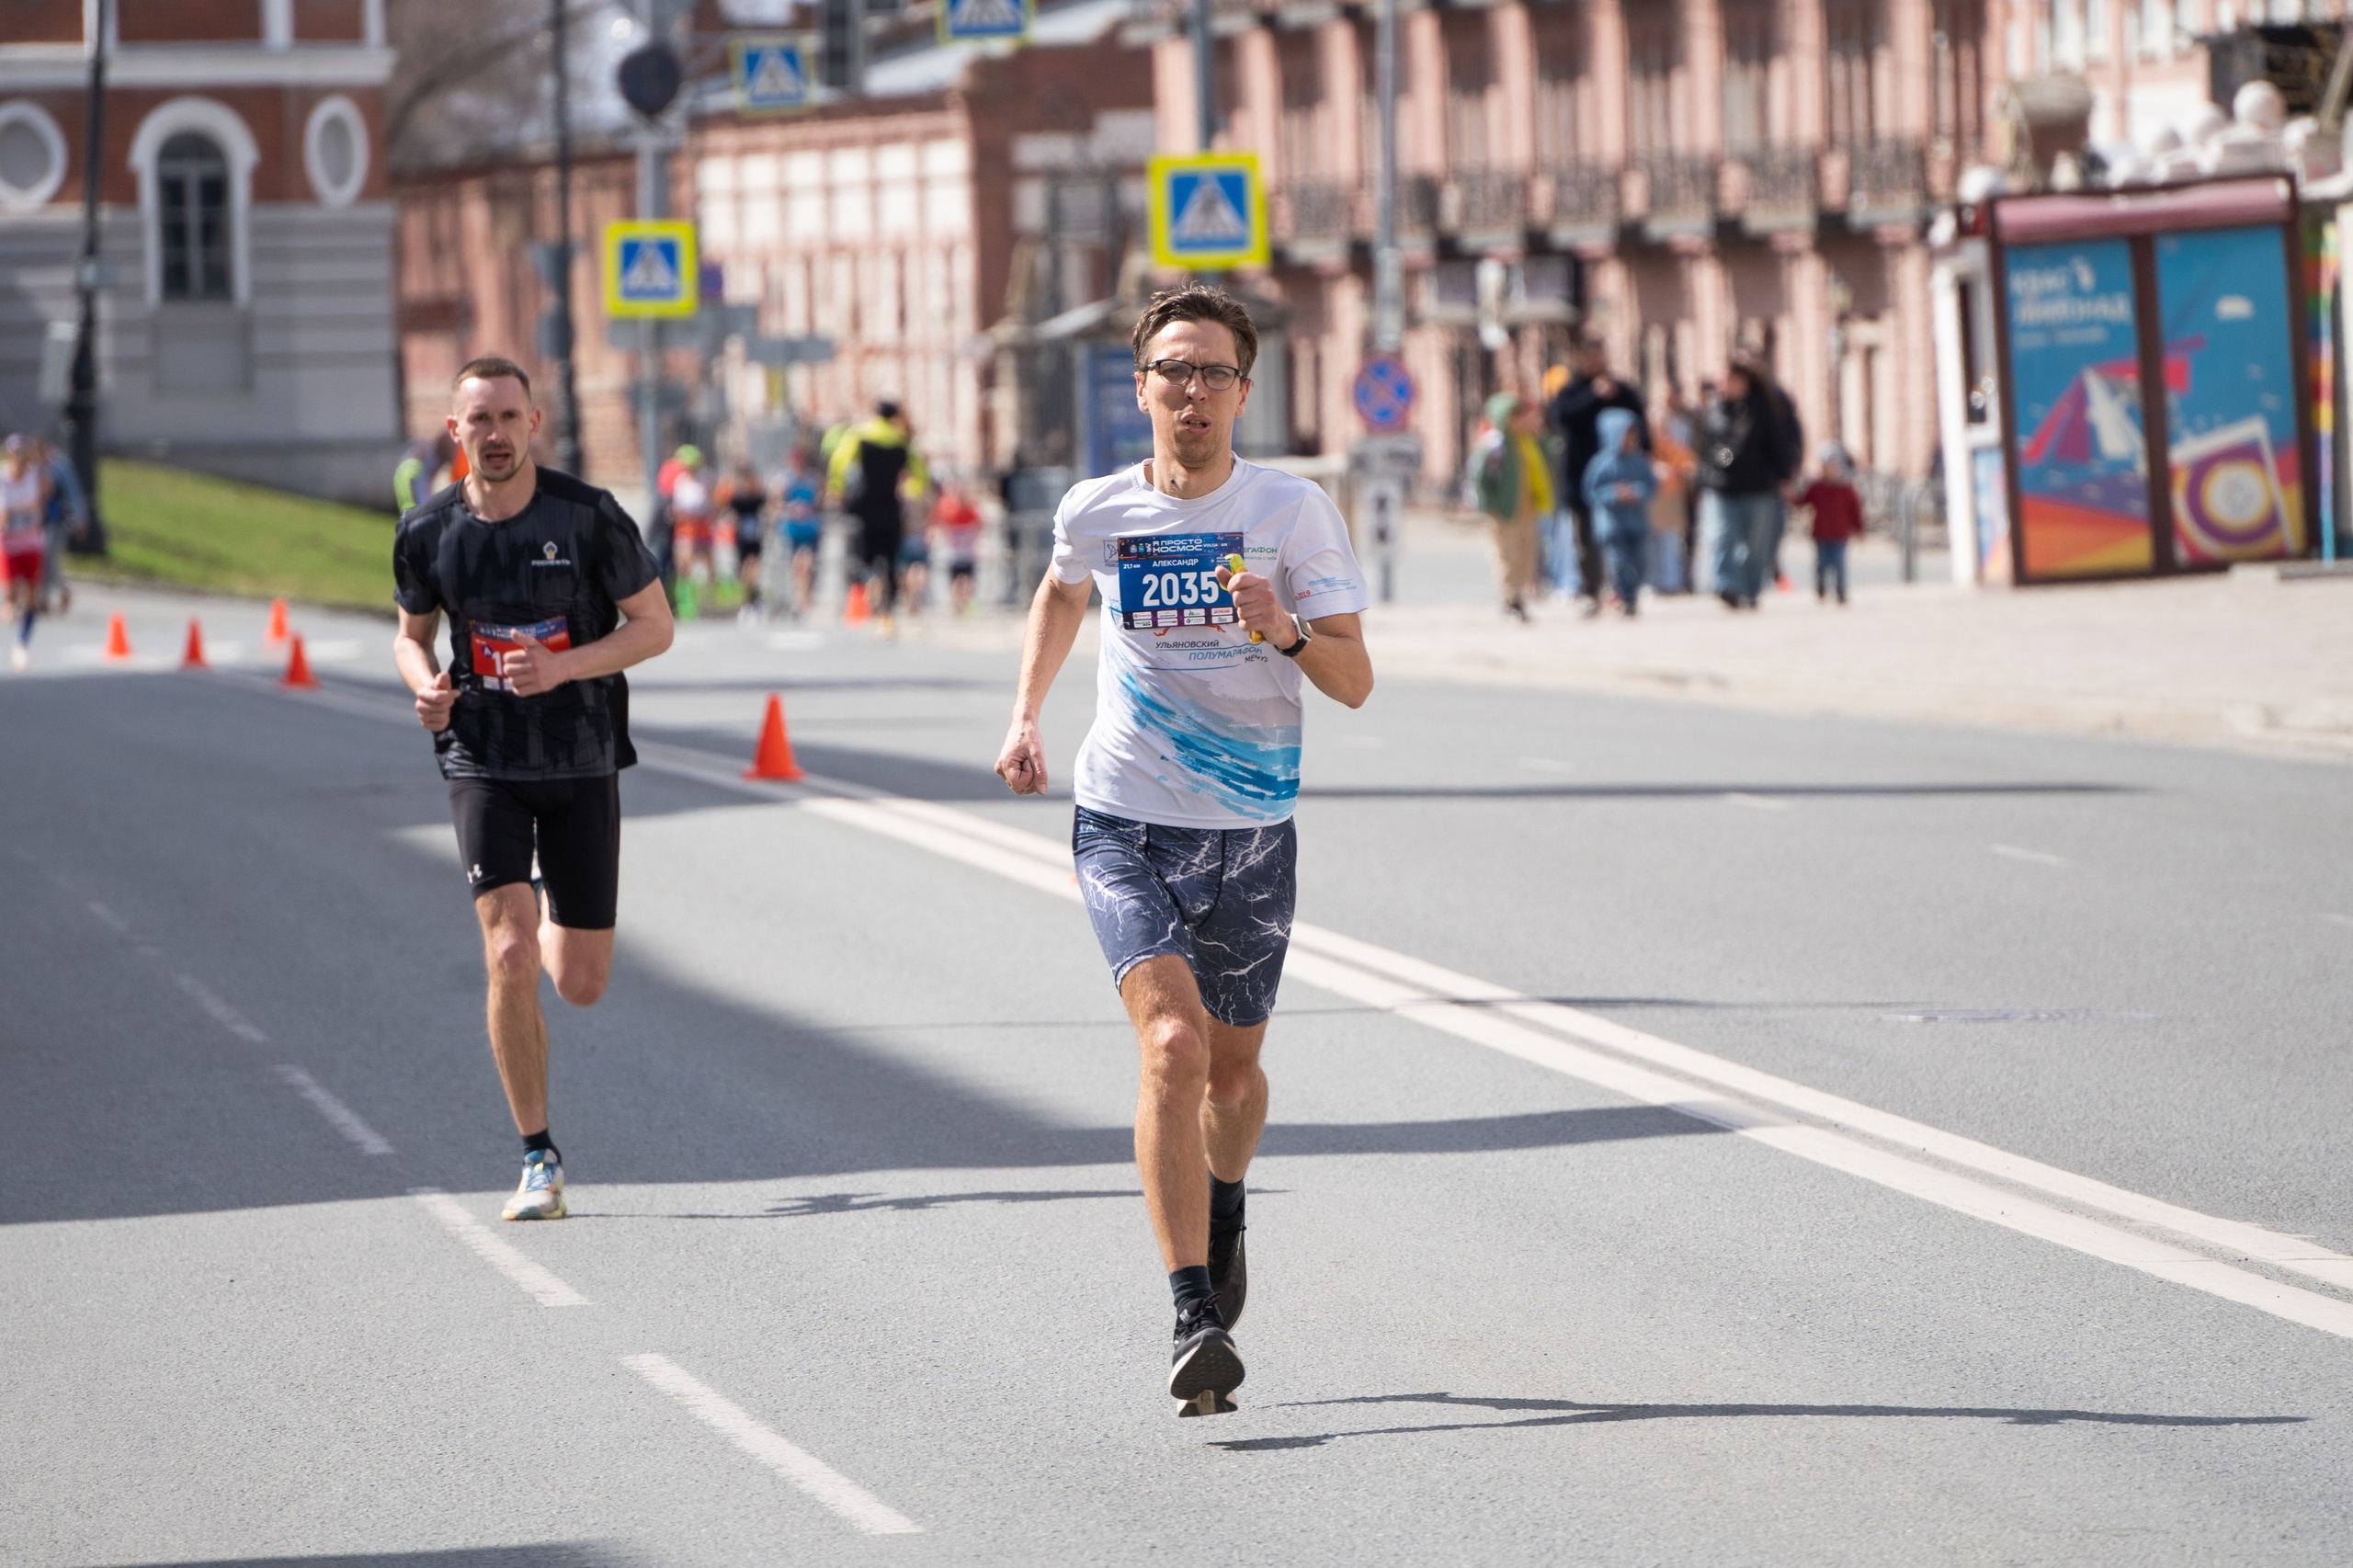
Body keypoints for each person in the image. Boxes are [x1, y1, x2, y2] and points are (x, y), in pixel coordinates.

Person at [994, 284, 1373, 1417]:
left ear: (1243, 392)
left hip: (1251, 830)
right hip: (1123, 816)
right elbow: (1061, 591)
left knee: (1233, 1075)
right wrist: (1026, 714)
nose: (1192, 390)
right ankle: (1191, 1310)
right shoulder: (1098, 508)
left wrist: (1284, 629)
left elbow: (1354, 681)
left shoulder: (1293, 512)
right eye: (1173, 369)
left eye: (1213, 371)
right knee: (1173, 1044)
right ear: (1142, 387)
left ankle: (1226, 1202)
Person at [391, 357, 675, 1221]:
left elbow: (655, 626)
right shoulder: (427, 531)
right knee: (510, 954)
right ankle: (537, 1157)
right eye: (479, 419)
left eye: (509, 417)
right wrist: (425, 688)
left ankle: (546, 894)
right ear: (455, 431)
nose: (496, 434)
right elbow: (410, 636)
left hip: (581, 757)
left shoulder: (587, 517)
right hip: (482, 759)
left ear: (534, 424)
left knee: (580, 982)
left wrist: (562, 667)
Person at [1548, 334, 1647, 619]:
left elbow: (1640, 425)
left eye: (1599, 355)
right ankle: (1591, 591)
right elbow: (1560, 417)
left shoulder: (1621, 390)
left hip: (1621, 478)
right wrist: (1594, 396)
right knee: (1586, 540)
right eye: (1590, 356)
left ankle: (1623, 591)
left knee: (1618, 538)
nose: (1596, 361)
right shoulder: (1571, 391)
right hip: (1580, 477)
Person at [1695, 360, 1795, 609]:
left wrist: (1784, 476)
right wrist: (1723, 462)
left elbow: (1779, 445)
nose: (1722, 385)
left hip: (1759, 487)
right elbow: (1709, 449)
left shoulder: (1764, 410)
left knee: (1757, 544)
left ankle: (1750, 589)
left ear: (1743, 381)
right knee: (1721, 536)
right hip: (1722, 486)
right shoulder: (1715, 411)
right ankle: (1726, 585)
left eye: (1728, 380)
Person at [825, 400, 929, 635]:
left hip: (865, 508)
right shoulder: (901, 440)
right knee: (891, 562)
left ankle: (873, 588)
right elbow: (920, 472)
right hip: (891, 508)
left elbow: (839, 461)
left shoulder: (859, 435)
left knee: (867, 559)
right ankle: (887, 615)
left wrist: (837, 488)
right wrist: (914, 493)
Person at [1467, 392, 1552, 622]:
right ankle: (1510, 598)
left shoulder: (1529, 442)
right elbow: (1481, 478)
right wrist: (1490, 505)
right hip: (1504, 510)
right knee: (1507, 556)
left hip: (1528, 509)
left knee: (1527, 555)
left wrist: (1541, 435)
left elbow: (1549, 464)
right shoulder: (1495, 444)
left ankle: (1519, 596)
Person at [1584, 408, 1656, 617]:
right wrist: (1614, 494)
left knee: (1640, 562)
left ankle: (1632, 595)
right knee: (1618, 563)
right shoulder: (1601, 464)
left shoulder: (1639, 461)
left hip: (1636, 522)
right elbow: (1591, 492)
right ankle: (1623, 596)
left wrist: (1637, 492)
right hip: (1613, 525)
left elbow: (1651, 485)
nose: (1630, 440)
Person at [1796, 440, 1865, 605]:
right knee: (1821, 564)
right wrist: (1791, 497)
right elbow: (1803, 501)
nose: (1829, 470)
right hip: (1821, 534)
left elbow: (1855, 511)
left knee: (1839, 565)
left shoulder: (1846, 489)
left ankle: (1841, 592)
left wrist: (1859, 530)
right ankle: (1821, 587)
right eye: (1826, 467)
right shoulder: (1817, 487)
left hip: (1840, 534)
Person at [2, 435, 50, 669]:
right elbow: (4, 514)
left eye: (23, 455)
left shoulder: (34, 475)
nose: (20, 460)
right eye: (16, 455)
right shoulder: (2, 477)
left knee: (32, 597)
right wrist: (16, 513)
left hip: (31, 542)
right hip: (9, 544)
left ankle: (21, 644)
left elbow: (39, 504)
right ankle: (10, 605)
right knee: (11, 595)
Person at [34, 436, 85, 615]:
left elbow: (73, 492)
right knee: (44, 558)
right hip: (41, 520)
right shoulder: (35, 467)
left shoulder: (60, 466)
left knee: (47, 556)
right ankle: (61, 591)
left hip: (60, 519)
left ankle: (45, 596)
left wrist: (80, 518)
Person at [777, 447, 823, 617]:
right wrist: (791, 508)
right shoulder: (785, 480)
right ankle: (801, 599)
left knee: (808, 563)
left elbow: (819, 501)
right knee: (797, 564)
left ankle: (805, 599)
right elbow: (777, 502)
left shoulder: (812, 480)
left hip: (809, 527)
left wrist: (810, 508)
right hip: (793, 527)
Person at [932, 481, 983, 615]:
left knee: (966, 580)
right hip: (955, 552)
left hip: (966, 552)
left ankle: (963, 606)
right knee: (956, 581)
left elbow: (979, 525)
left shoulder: (969, 509)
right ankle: (958, 606)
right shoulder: (949, 508)